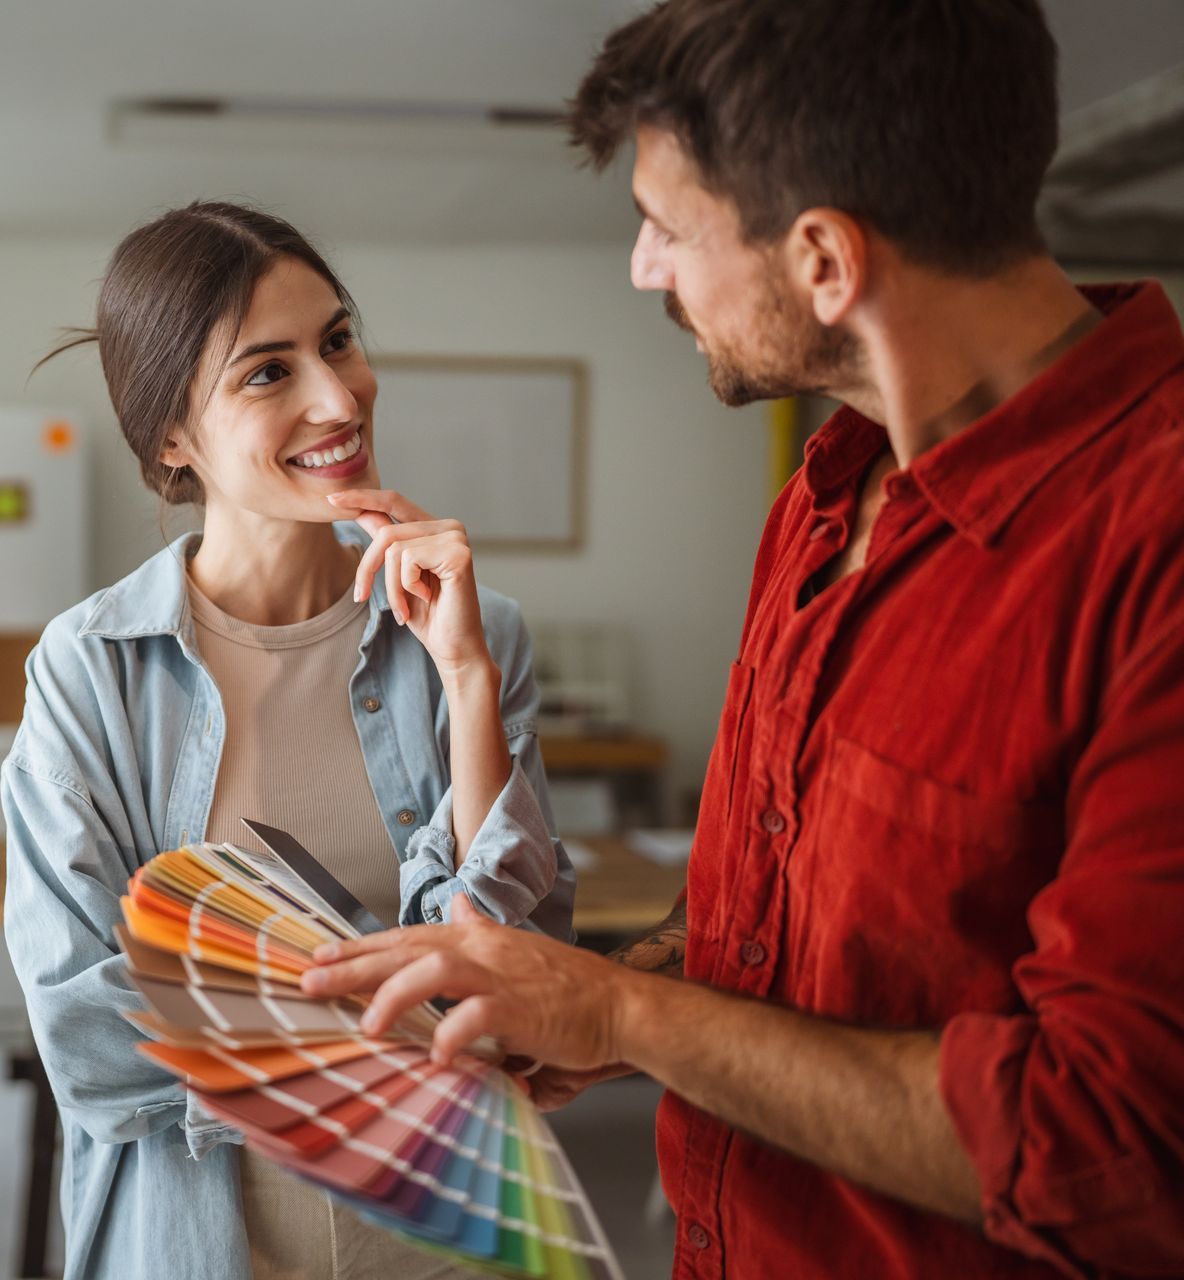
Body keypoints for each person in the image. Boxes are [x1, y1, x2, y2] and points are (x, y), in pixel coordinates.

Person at [304, 2, 1184, 1277]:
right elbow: (773, 912)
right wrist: (598, 1002)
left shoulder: (1151, 551)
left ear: (825, 260)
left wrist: (623, 1006)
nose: (643, 268)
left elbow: (1109, 1145)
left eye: (667, 226)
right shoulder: (827, 499)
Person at [0, 200, 575, 1280]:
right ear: (172, 436)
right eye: (269, 371)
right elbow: (91, 1037)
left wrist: (465, 679)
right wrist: (401, 1003)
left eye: (339, 339)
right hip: (204, 1237)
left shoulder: (474, 630)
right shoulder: (89, 672)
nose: (338, 395)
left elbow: (528, 975)